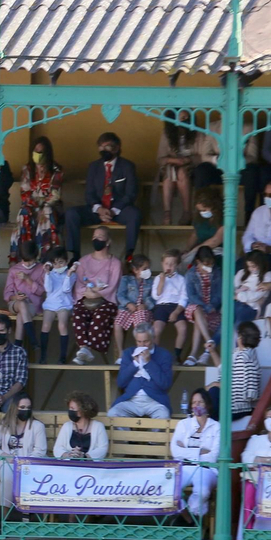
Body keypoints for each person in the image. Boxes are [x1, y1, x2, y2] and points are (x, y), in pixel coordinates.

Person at [65, 132, 142, 261]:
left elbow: (131, 193)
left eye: (107, 146)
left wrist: (113, 210)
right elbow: (89, 194)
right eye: (101, 147)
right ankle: (75, 256)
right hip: (97, 211)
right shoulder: (93, 166)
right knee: (71, 213)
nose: (103, 150)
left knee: (135, 214)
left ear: (117, 148)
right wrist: (99, 209)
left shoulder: (127, 166)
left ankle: (129, 256)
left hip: (119, 211)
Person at [68, 230, 123, 365]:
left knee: (100, 317)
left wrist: (98, 294)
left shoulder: (115, 263)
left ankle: (89, 348)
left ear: (108, 241)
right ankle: (83, 347)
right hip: (86, 296)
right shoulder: (83, 261)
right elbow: (79, 283)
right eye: (94, 236)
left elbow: (114, 285)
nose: (96, 239)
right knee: (78, 314)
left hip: (106, 299)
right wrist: (87, 292)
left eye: (100, 236)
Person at [156, 112, 219, 225]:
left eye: (188, 117)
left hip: (192, 168)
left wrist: (187, 160)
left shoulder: (197, 133)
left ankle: (187, 212)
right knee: (170, 175)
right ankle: (167, 214)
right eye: (183, 117)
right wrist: (174, 161)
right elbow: (160, 158)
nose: (186, 119)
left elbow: (203, 156)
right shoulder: (167, 134)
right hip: (171, 167)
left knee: (181, 173)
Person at [0, 396, 45, 518]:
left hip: (30, 463)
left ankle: (26, 515)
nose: (25, 410)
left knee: (26, 478)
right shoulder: (4, 425)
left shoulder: (37, 426)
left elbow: (40, 450)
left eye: (28, 408)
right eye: (22, 407)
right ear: (14, 408)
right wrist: (3, 455)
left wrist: (25, 461)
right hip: (8, 461)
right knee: (6, 479)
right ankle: (4, 518)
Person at [173, 389, 220, 519]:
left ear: (207, 404)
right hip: (184, 467)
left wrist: (186, 450)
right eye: (194, 402)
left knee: (202, 492)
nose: (196, 405)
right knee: (170, 488)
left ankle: (193, 517)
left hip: (206, 469)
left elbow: (213, 456)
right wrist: (200, 451)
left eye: (200, 402)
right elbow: (176, 452)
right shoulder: (183, 424)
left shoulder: (216, 427)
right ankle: (189, 519)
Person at [109, 324, 173, 419]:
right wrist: (134, 363)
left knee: (163, 416)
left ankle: (151, 431)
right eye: (139, 341)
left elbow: (165, 384)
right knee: (112, 414)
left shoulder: (164, 355)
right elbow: (121, 383)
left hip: (155, 401)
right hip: (131, 400)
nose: (142, 345)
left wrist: (149, 363)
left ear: (153, 338)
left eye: (146, 341)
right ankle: (127, 430)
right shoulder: (128, 353)